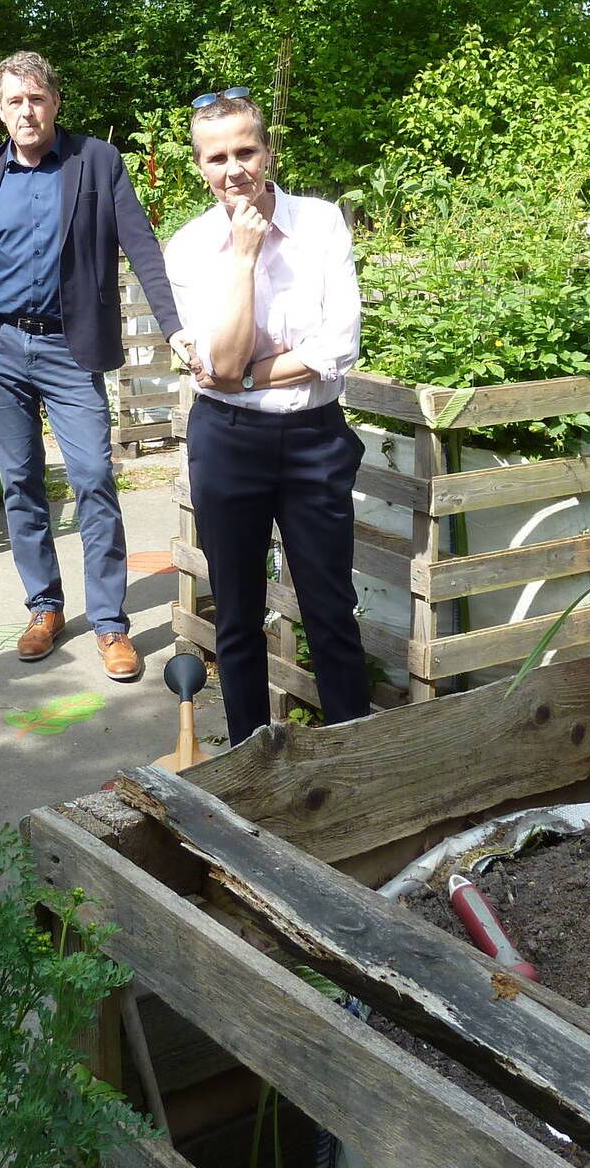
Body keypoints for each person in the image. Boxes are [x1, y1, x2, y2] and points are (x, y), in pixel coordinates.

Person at [0, 51, 191, 680]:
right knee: (21, 484)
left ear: (55, 101)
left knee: (93, 480)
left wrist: (176, 327)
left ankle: (110, 624)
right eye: (14, 101)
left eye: (37, 99)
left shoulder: (96, 163)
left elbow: (142, 247)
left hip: (68, 348)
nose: (27, 111)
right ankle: (44, 608)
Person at [164, 89, 369, 745]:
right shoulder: (192, 248)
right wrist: (246, 256)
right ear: (200, 165)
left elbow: (337, 348)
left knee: (332, 610)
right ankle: (255, 768)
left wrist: (246, 371)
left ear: (269, 150)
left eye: (245, 151)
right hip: (228, 442)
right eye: (217, 156)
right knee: (238, 620)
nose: (234, 169)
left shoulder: (321, 224)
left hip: (315, 438)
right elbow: (214, 367)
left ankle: (352, 762)